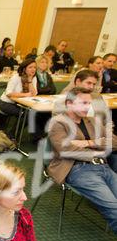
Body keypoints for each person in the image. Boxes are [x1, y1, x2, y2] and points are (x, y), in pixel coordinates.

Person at [47, 87, 117, 233]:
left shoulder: (92, 121)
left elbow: (115, 142)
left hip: (103, 167)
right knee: (113, 208)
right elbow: (65, 150)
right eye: (83, 103)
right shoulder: (58, 124)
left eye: (88, 103)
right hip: (78, 169)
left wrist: (89, 143)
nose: (87, 107)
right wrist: (97, 149)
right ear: (69, 104)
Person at [0, 58, 37, 123]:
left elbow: (34, 94)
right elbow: (8, 93)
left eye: (34, 67)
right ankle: (13, 132)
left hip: (21, 103)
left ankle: (14, 131)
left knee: (35, 113)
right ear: (24, 69)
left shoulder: (33, 78)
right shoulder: (16, 77)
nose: (33, 69)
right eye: (30, 67)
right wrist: (25, 95)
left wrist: (30, 80)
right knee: (27, 114)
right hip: (7, 103)